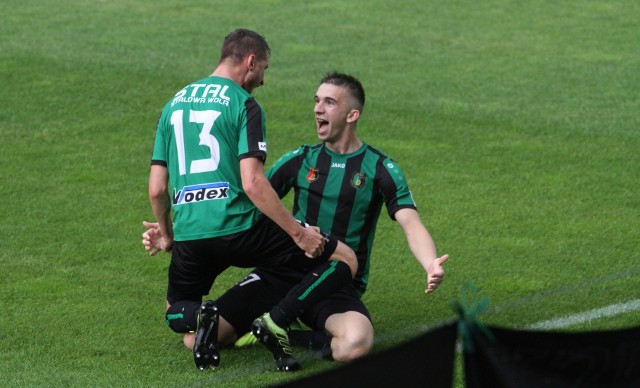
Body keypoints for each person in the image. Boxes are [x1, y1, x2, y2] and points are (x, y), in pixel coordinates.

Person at [145, 71, 448, 363]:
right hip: (282, 273)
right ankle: (271, 325)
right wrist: (168, 230)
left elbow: (410, 222)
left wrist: (430, 261)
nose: (318, 108)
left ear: (352, 115)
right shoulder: (301, 160)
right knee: (194, 338)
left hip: (332, 282)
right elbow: (249, 199)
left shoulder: (380, 168)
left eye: (330, 102)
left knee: (356, 343)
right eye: (317, 100)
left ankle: (279, 330)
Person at [145, 29, 358, 372]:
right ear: (251, 61)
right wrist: (298, 232)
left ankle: (205, 314)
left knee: (179, 312)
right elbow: (253, 182)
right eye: (264, 70)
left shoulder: (172, 106)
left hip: (191, 236)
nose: (262, 80)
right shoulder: (243, 103)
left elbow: (157, 189)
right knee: (343, 258)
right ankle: (276, 322)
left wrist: (167, 235)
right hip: (243, 228)